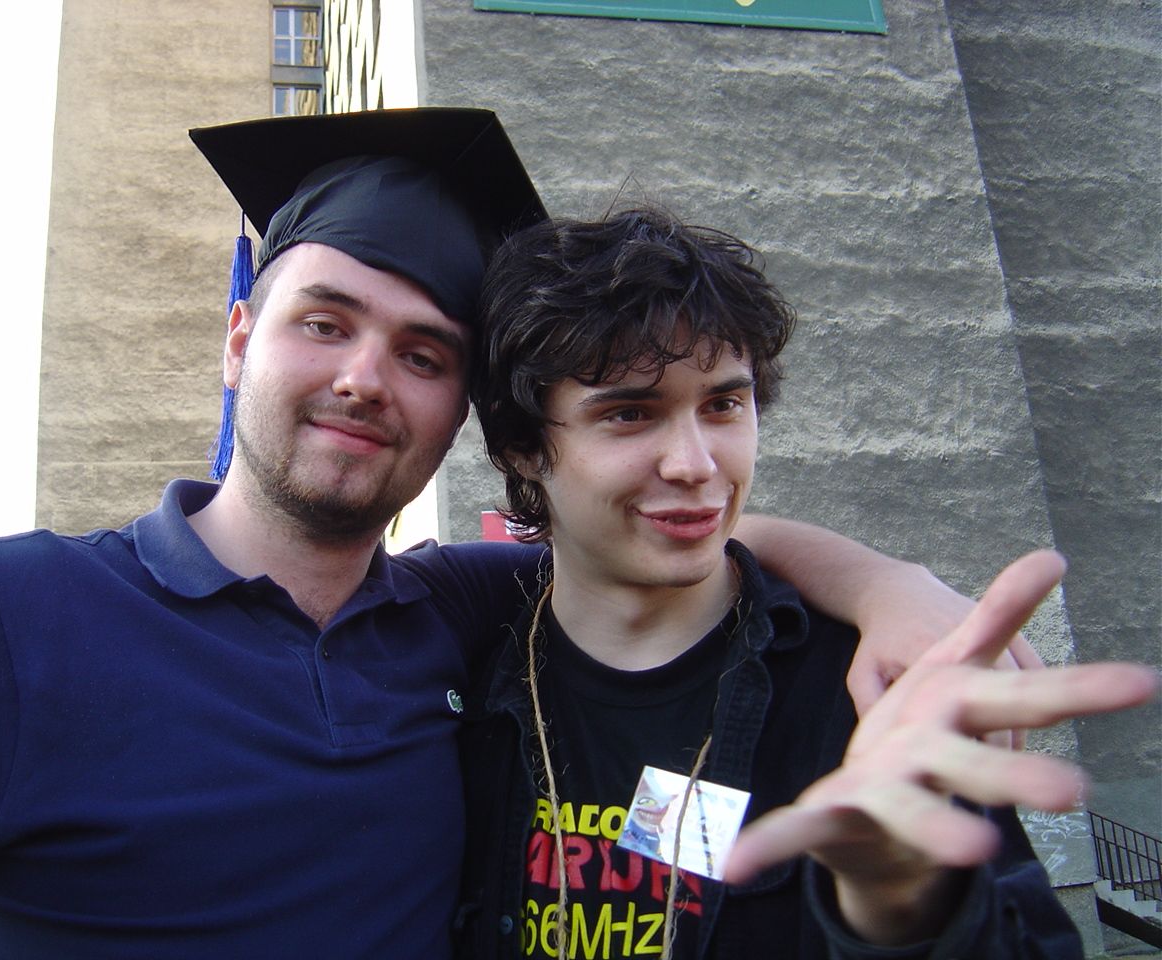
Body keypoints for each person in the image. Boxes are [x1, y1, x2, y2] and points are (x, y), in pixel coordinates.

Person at [0, 109, 1021, 959]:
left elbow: (650, 529)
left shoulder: (459, 612)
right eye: (323, 323)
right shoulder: (8, 617)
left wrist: (884, 584)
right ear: (239, 341)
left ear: (467, 415)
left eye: (423, 354)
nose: (363, 378)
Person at [451, 209, 1157, 959]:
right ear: (522, 447)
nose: (696, 464)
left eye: (723, 405)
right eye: (630, 413)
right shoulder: (462, 672)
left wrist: (904, 907)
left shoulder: (863, 693)